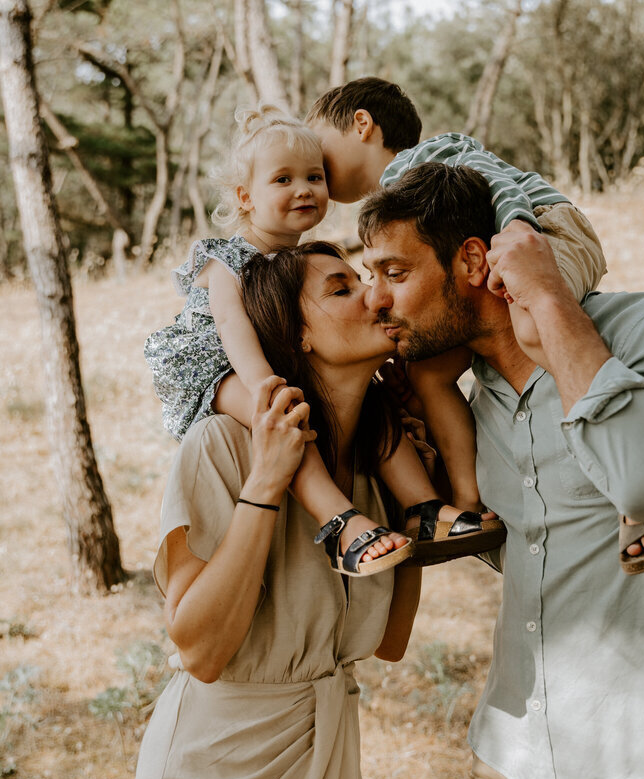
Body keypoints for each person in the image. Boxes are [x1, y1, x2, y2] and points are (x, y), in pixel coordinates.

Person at [357, 163, 644, 779]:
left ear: (474, 261)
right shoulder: (467, 405)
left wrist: (543, 293)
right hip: (512, 772)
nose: (373, 297)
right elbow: (521, 551)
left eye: (393, 271)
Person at [117, 242, 429, 779]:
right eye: (341, 289)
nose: (374, 294)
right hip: (219, 772)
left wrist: (415, 518)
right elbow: (201, 651)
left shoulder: (378, 464)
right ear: (298, 336)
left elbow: (390, 642)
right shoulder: (220, 444)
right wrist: (264, 487)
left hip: (329, 757)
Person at [307, 78, 644, 574]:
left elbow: (500, 184)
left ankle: (638, 498)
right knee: (430, 375)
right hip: (512, 247)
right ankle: (469, 504)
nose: (315, 166)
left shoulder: (433, 157)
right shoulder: (407, 201)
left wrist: (521, 235)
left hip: (548, 231)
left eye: (318, 147)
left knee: (536, 329)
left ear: (361, 125)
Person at [144, 105, 503, 575]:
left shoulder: (298, 260)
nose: (303, 189)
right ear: (244, 197)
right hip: (213, 369)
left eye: (314, 177)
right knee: (282, 419)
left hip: (272, 361)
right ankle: (340, 523)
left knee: (379, 410)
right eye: (282, 180)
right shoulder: (227, 258)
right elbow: (230, 328)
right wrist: (263, 385)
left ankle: (424, 509)